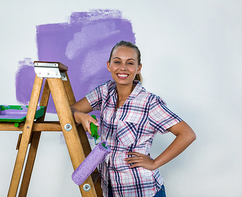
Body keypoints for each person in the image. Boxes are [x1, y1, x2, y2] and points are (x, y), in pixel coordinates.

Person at [71, 40, 196, 197]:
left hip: (141, 190)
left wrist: (155, 163)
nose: (123, 67)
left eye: (130, 63)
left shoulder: (149, 102)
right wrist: (80, 116)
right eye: (117, 62)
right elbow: (70, 109)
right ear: (109, 65)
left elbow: (187, 134)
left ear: (138, 68)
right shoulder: (105, 91)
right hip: (110, 188)